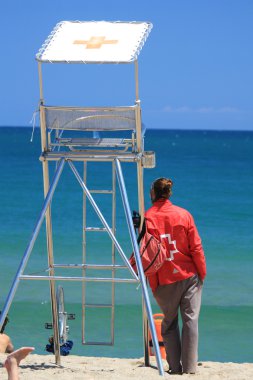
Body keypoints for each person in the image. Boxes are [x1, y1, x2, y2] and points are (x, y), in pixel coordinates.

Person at [144, 178, 206, 375]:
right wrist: (201, 272)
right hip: (188, 275)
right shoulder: (184, 214)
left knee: (169, 323)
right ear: (169, 193)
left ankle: (175, 368)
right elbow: (196, 247)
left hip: (163, 280)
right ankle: (189, 368)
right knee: (190, 321)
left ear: (153, 193)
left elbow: (144, 251)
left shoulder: (147, 217)